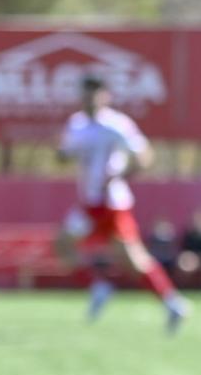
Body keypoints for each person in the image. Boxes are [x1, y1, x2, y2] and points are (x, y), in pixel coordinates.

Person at [54, 73, 189, 334]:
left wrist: (119, 175)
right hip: (89, 204)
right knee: (63, 244)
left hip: (112, 204)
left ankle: (172, 303)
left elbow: (144, 156)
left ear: (105, 95)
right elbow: (65, 154)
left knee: (132, 260)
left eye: (95, 92)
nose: (89, 98)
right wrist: (61, 154)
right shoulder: (76, 124)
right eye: (85, 93)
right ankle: (99, 286)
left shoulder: (117, 124)